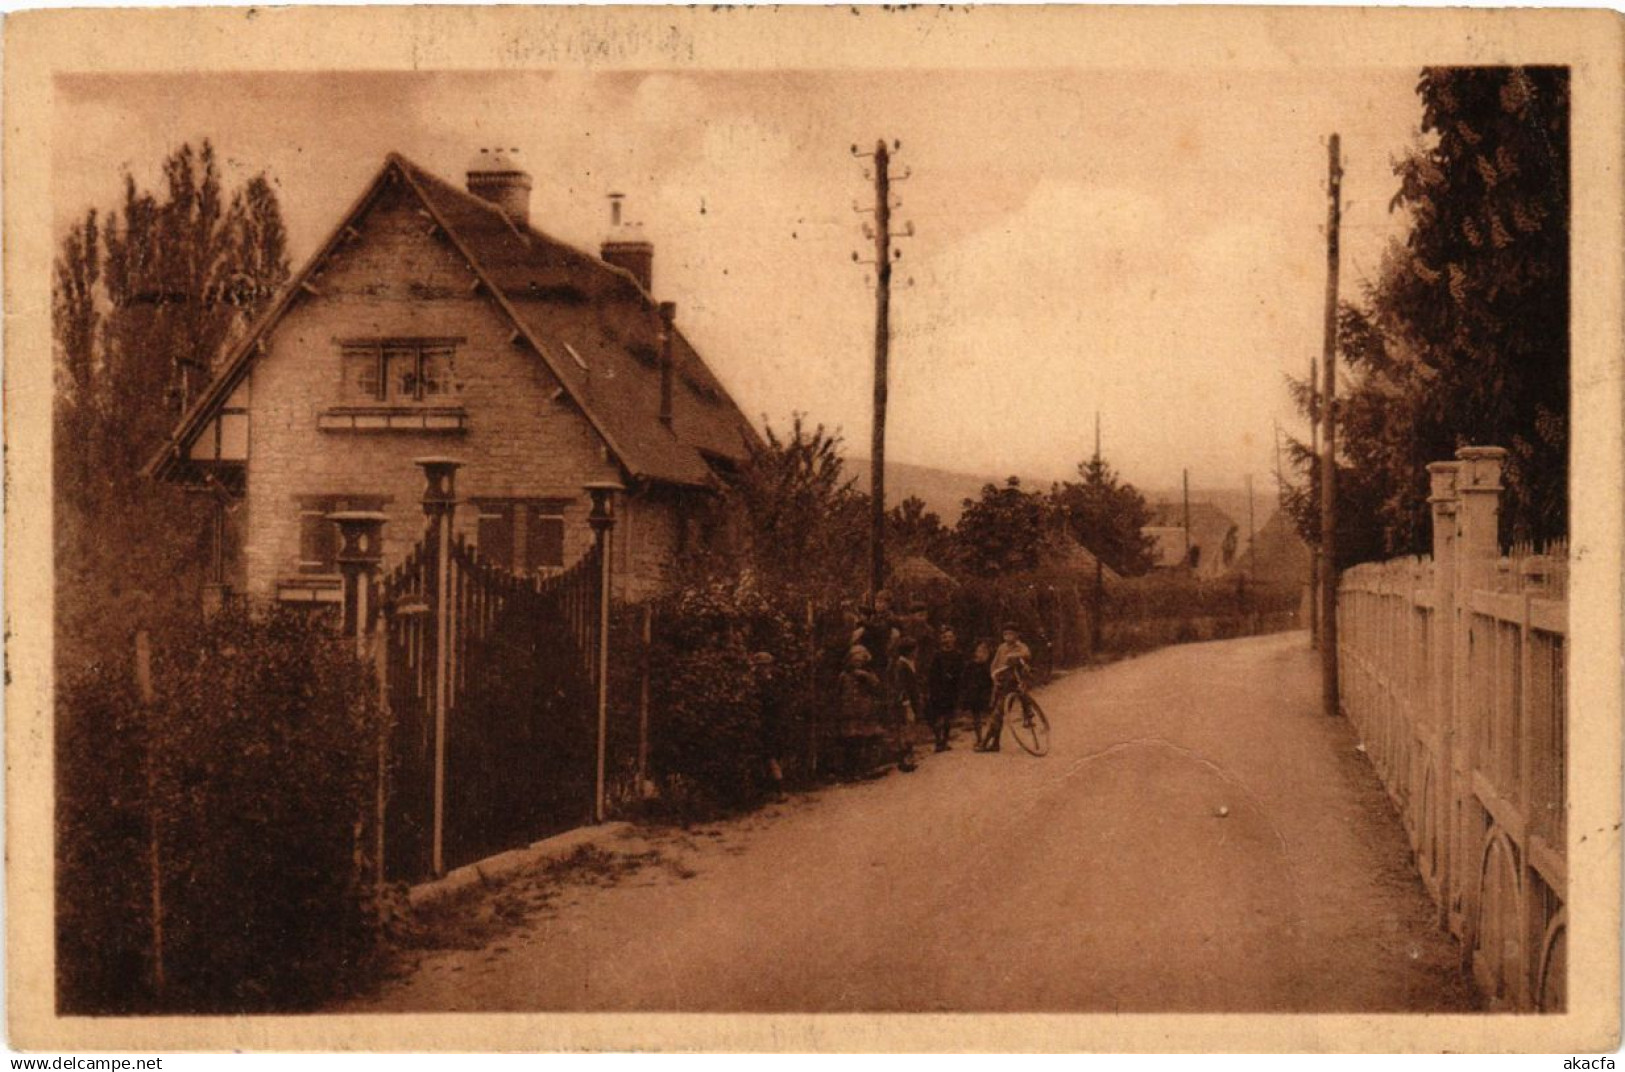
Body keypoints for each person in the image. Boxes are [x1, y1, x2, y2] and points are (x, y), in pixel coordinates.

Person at [977, 622, 1033, 753]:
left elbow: (1027, 654)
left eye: (1011, 634)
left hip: (1013, 683)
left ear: (1017, 635)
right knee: (997, 712)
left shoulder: (1020, 647)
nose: (1008, 636)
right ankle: (995, 743)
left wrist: (1014, 656)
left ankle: (985, 742)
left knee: (998, 713)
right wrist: (993, 675)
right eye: (1005, 634)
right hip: (1000, 682)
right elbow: (995, 663)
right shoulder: (1001, 648)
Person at [836, 645, 884, 777]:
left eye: (860, 661)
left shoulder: (869, 674)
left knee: (867, 739)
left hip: (865, 712)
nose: (857, 664)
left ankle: (867, 768)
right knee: (851, 741)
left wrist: (867, 677)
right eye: (854, 660)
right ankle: (851, 770)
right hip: (850, 713)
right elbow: (838, 692)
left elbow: (877, 687)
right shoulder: (844, 675)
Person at [926, 625, 965, 752]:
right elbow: (932, 673)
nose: (948, 639)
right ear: (941, 639)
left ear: (954, 638)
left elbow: (961, 672)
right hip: (938, 689)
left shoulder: (958, 655)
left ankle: (945, 740)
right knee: (937, 716)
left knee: (948, 716)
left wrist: (954, 679)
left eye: (950, 637)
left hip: (951, 689)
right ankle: (938, 741)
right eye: (945, 637)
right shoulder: (937, 655)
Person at [887, 636, 922, 772]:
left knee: (908, 729)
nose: (917, 652)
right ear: (909, 651)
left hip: (910, 701)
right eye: (915, 650)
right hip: (904, 703)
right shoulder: (901, 665)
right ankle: (904, 761)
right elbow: (900, 687)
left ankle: (908, 758)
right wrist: (907, 704)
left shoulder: (908, 663)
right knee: (905, 730)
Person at [960, 639, 994, 747]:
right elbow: (964, 679)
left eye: (985, 652)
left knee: (991, 716)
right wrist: (966, 692)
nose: (982, 654)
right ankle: (979, 738)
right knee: (976, 717)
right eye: (979, 651)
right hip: (974, 693)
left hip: (986, 693)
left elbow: (993, 679)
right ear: (975, 653)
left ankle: (990, 737)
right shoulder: (970, 665)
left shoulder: (990, 665)